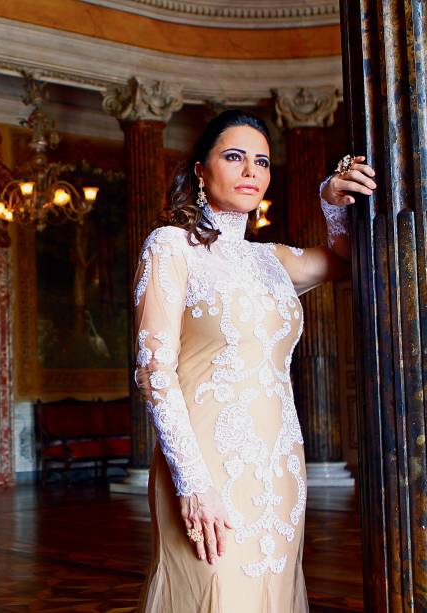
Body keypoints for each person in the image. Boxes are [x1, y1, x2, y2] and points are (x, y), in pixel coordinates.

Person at [134, 110, 375, 612]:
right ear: (201, 170)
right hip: (205, 462)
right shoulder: (171, 246)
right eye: (234, 156)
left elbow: (350, 257)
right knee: (214, 593)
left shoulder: (273, 260)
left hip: (279, 461)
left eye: (261, 161)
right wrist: (194, 483)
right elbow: (154, 371)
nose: (250, 172)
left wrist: (330, 199)